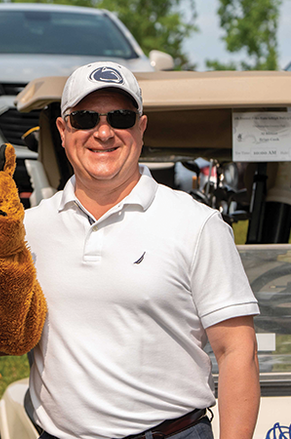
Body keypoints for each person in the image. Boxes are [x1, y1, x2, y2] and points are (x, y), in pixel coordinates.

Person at [23, 61, 260, 439]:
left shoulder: (198, 224)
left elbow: (237, 351)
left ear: (141, 127)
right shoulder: (29, 228)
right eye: (85, 118)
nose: (103, 132)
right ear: (63, 130)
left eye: (120, 117)